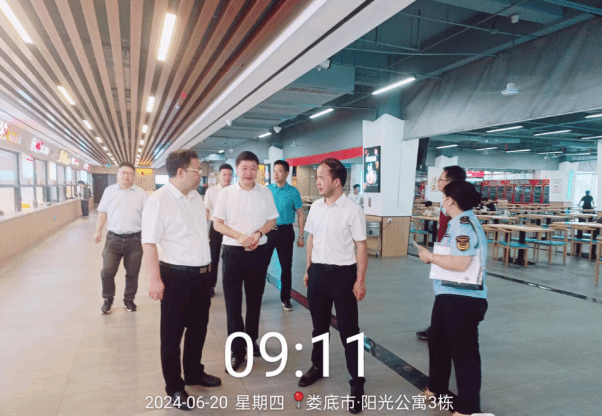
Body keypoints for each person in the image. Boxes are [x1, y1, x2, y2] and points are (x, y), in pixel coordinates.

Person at [142, 149, 221, 409]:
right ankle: (174, 387)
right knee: (172, 334)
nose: (200, 175)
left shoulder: (196, 198)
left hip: (201, 277)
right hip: (175, 277)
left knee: (198, 328)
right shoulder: (159, 200)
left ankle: (193, 372)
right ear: (181, 171)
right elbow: (149, 243)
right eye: (197, 170)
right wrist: (154, 280)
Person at [297, 158, 367, 415]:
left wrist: (360, 280)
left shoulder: (353, 210)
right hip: (318, 273)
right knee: (319, 326)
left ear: (336, 181)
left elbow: (361, 246)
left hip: (343, 275)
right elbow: (311, 238)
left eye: (321, 177)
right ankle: (318, 366)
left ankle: (357, 382)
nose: (317, 182)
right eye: (316, 177)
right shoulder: (316, 207)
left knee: (349, 330)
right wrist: (309, 268)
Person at [416, 180, 488, 416]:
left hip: (463, 298)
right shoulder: (457, 222)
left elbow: (460, 263)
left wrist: (430, 257)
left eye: (444, 197)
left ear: (450, 200)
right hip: (447, 292)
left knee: (464, 354)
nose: (442, 201)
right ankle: (437, 388)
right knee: (438, 342)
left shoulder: (463, 226)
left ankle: (468, 408)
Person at [213, 151, 279, 371]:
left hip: (258, 252)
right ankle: (237, 350)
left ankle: (251, 341)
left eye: (253, 168)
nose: (248, 172)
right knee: (233, 304)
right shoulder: (226, 193)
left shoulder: (265, 192)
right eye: (244, 168)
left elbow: (272, 220)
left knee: (254, 301)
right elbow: (217, 224)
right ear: (237, 170)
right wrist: (239, 237)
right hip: (233, 252)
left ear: (258, 170)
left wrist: (258, 234)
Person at [416, 165, 466, 341]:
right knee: (442, 293)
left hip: (453, 256)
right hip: (443, 251)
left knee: (450, 294)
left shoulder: (457, 207)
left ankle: (443, 332)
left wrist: (434, 257)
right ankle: (437, 328)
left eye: (441, 179)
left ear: (452, 182)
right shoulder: (446, 202)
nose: (437, 182)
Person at [94, 162, 147, 314]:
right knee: (107, 271)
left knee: (132, 272)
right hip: (113, 239)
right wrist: (98, 231)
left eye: (130, 173)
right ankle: (107, 299)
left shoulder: (141, 193)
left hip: (135, 239)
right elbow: (103, 212)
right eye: (124, 172)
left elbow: (147, 216)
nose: (126, 176)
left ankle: (129, 300)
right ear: (118, 174)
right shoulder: (109, 191)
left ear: (134, 176)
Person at [266, 160, 305, 311]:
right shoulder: (267, 190)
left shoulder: (293, 192)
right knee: (261, 264)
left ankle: (286, 298)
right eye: (274, 171)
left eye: (280, 171)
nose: (276, 174)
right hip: (268, 230)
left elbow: (300, 214)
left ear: (287, 173)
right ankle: (257, 296)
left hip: (286, 232)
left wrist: (301, 236)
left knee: (286, 266)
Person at [204, 164, 234, 297]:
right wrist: (206, 230)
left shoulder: (235, 191)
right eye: (224, 174)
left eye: (230, 175)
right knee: (213, 257)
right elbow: (206, 211)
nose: (227, 177)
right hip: (215, 226)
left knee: (230, 256)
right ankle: (211, 284)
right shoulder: (211, 191)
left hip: (231, 227)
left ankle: (231, 284)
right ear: (219, 175)